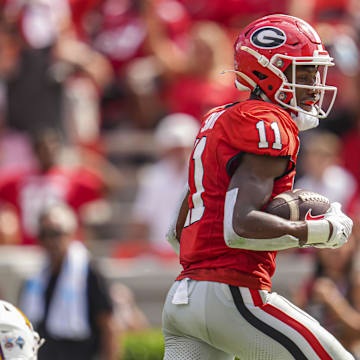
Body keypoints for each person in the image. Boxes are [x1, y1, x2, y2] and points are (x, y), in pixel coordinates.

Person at [162, 14, 354, 360]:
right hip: (231, 295)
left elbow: (177, 232)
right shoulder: (268, 124)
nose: (314, 86)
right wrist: (318, 231)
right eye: (304, 73)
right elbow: (240, 228)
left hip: (183, 297)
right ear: (268, 71)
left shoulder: (218, 118)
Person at [20, 203, 116, 360]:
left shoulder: (88, 272)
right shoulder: (36, 277)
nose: (50, 241)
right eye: (44, 234)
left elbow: (108, 325)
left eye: (56, 233)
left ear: (71, 234)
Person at [294, 235, 360, 358]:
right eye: (328, 245)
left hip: (345, 353)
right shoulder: (310, 285)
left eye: (341, 243)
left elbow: (357, 331)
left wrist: (333, 301)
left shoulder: (355, 283)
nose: (335, 250)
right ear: (318, 250)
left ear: (352, 247)